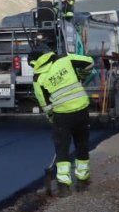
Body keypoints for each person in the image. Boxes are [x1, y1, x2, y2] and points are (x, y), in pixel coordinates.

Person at [29, 45, 95, 194]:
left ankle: (64, 186)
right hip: (82, 110)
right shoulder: (65, 58)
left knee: (62, 149)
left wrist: (51, 116)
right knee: (82, 145)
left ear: (34, 63)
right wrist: (83, 76)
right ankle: (83, 181)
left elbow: (44, 103)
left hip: (62, 115)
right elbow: (89, 62)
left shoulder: (38, 77)